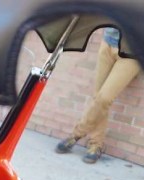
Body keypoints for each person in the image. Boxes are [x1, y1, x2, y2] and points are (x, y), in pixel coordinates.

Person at [55, 28, 139, 163]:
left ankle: (77, 134)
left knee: (104, 98)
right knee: (98, 98)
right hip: (107, 43)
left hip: (132, 51)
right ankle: (95, 145)